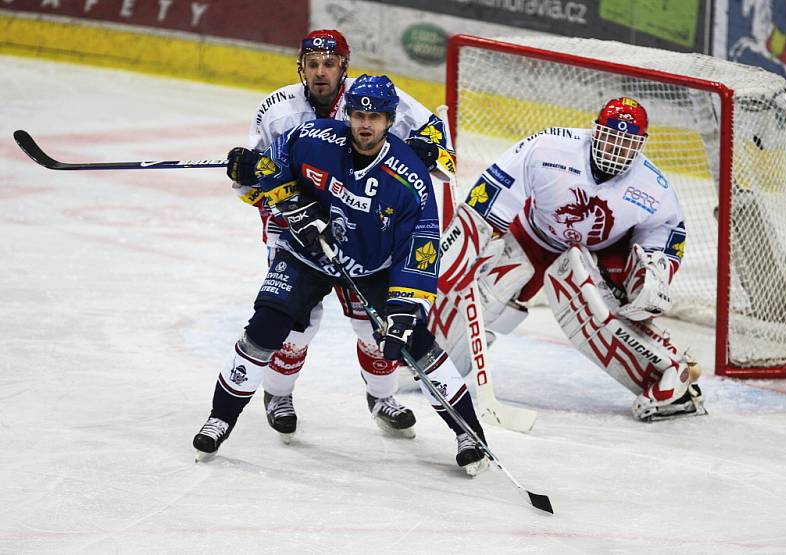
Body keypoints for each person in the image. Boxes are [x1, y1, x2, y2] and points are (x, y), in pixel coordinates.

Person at [194, 74, 489, 475]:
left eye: (376, 117)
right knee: (266, 326)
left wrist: (404, 308)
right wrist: (249, 173)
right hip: (308, 255)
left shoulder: (410, 177)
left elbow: (418, 248)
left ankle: (469, 434)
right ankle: (220, 418)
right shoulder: (312, 137)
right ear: (348, 114)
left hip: (374, 265)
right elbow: (271, 175)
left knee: (414, 342)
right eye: (358, 114)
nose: (366, 124)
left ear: (390, 120)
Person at [226, 29, 449, 440]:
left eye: (329, 64)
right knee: (297, 323)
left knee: (373, 323)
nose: (320, 72)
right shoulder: (277, 111)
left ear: (343, 67)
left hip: (366, 225)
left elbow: (437, 136)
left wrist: (425, 148)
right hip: (296, 225)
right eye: (313, 64)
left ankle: (381, 397)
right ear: (302, 67)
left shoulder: (371, 98)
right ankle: (278, 394)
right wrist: (247, 170)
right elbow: (256, 183)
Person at [434, 97, 707, 422]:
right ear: (596, 131)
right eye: (610, 137)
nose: (616, 149)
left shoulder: (653, 186)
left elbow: (669, 229)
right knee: (488, 293)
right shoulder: (550, 147)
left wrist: (656, 269)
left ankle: (671, 376)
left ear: (641, 145)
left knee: (600, 316)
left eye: (627, 143)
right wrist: (472, 236)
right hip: (533, 235)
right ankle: (431, 354)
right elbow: (495, 187)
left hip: (600, 252)